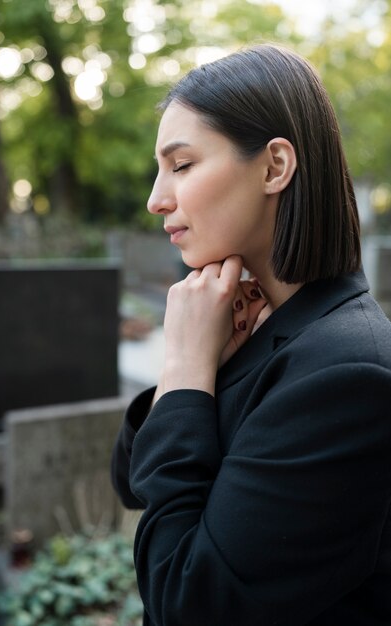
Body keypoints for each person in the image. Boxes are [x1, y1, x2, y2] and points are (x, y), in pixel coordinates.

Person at [111, 43, 391, 626]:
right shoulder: (275, 329)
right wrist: (190, 371)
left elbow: (186, 603)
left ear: (274, 167)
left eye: (182, 165)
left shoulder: (348, 372)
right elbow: (133, 482)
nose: (156, 199)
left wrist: (188, 369)